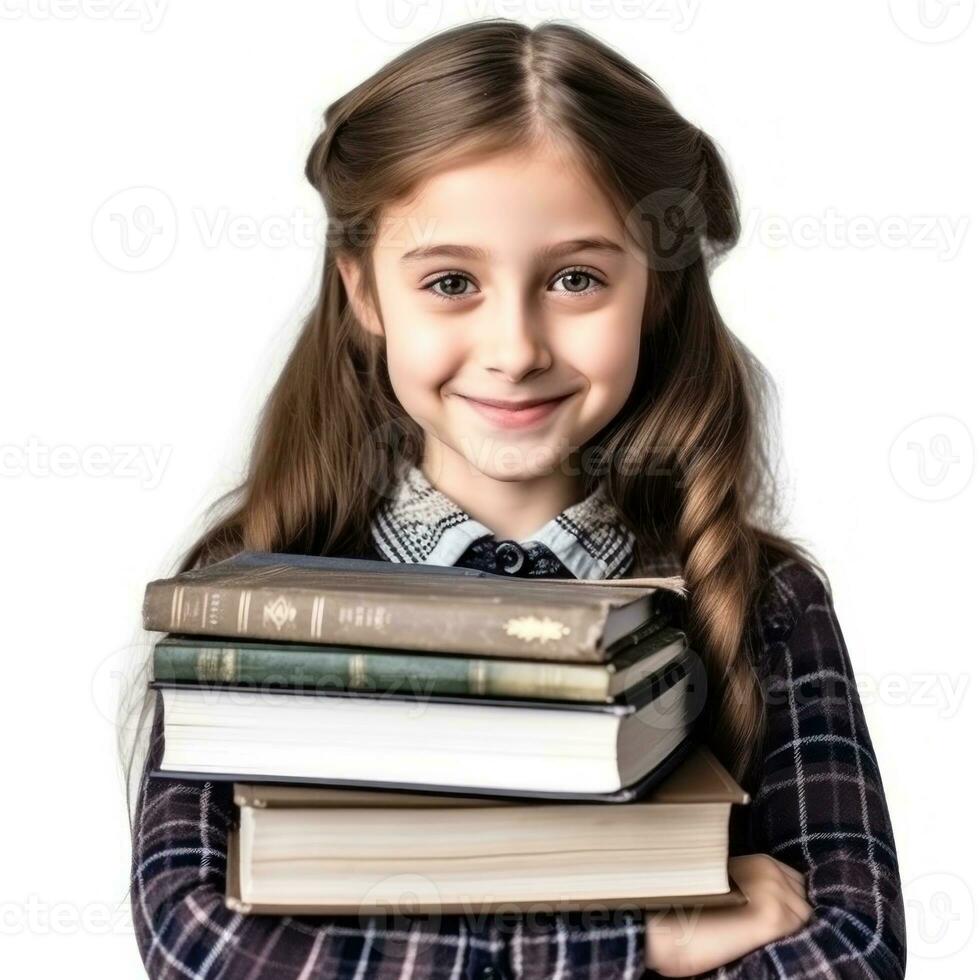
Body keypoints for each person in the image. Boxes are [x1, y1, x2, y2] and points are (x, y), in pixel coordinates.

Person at [122, 18, 906, 978]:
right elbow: (201, 945)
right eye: (451, 281)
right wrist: (642, 945)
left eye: (576, 278)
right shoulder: (250, 596)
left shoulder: (762, 600)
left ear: (654, 289)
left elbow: (850, 951)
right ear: (364, 292)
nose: (516, 347)